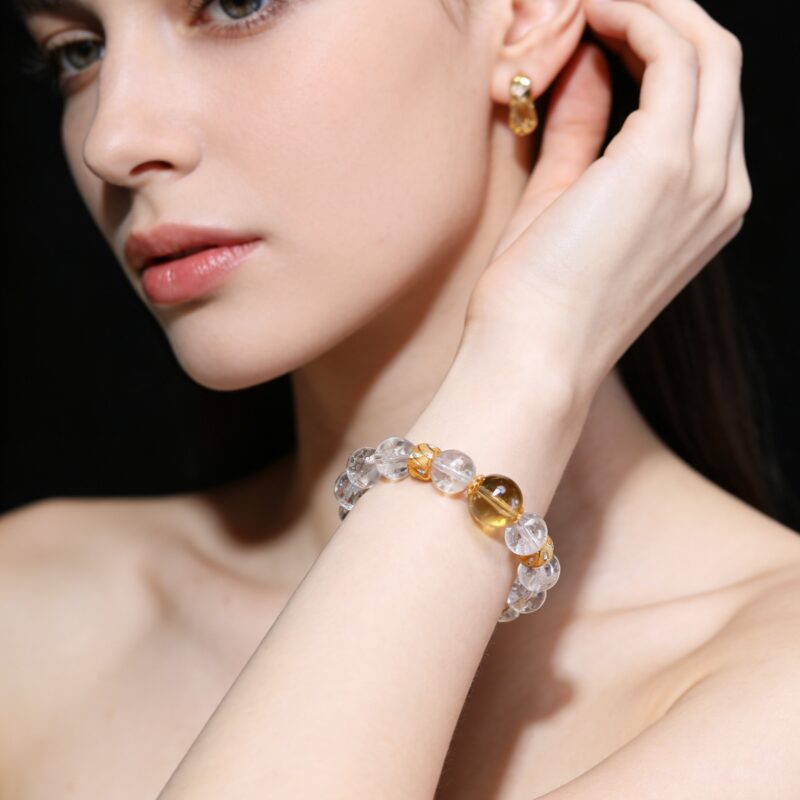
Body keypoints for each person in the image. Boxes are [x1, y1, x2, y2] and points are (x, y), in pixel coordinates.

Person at [3, 0, 798, 797]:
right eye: (78, 52)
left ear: (524, 15)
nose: (113, 141)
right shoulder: (30, 611)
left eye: (237, 4)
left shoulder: (774, 701)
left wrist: (528, 365)